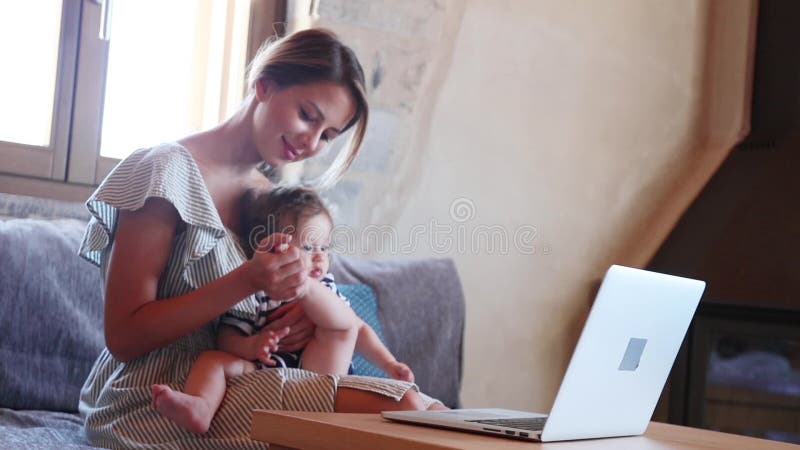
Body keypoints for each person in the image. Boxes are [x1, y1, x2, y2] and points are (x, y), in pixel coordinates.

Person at [78, 28, 443, 448]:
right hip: (158, 395)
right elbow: (123, 337)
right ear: (264, 86)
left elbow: (311, 305)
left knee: (436, 415)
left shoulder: (272, 200)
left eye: (327, 135)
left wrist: (298, 319)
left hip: (253, 377)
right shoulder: (165, 170)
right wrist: (248, 280)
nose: (311, 143)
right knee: (405, 410)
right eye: (308, 114)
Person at [151, 186, 416, 434]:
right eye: (308, 247)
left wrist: (388, 363)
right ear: (273, 245)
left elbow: (357, 328)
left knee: (339, 325)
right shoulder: (255, 289)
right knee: (211, 359)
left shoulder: (326, 286)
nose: (319, 256)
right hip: (265, 372)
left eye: (324, 248)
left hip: (321, 371)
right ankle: (201, 406)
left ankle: (305, 291)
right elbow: (227, 339)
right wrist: (253, 345)